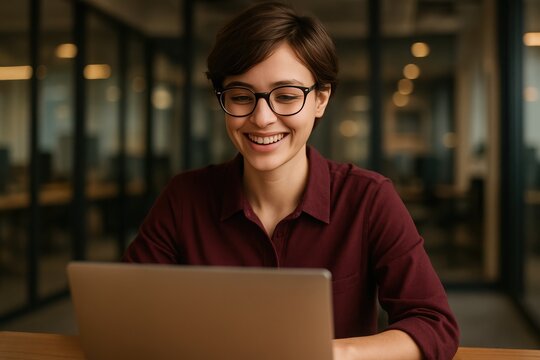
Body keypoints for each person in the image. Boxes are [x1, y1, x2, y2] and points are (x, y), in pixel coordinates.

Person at [123, 2, 460, 359]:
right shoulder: (184, 197)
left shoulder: (368, 198)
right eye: (241, 97)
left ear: (320, 100)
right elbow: (125, 312)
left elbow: (434, 325)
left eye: (286, 96)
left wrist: (328, 354)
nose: (262, 117)